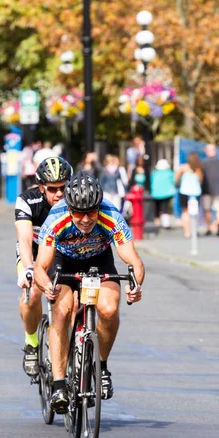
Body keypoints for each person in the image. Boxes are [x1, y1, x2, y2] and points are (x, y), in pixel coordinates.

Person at [34, 171, 145, 414]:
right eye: (78, 213)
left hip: (99, 260)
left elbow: (133, 260)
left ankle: (101, 367)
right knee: (63, 310)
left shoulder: (111, 216)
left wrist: (135, 286)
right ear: (69, 209)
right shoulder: (56, 218)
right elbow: (41, 266)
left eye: (91, 212)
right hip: (64, 262)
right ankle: (59, 384)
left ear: (98, 208)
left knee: (109, 307)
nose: (85, 219)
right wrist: (47, 286)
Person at [15, 156, 73, 377]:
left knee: (74, 301)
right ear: (41, 187)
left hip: (63, 252)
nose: (59, 194)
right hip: (35, 251)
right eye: (52, 189)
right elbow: (25, 239)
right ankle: (31, 344)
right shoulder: (27, 201)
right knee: (31, 295)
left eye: (63, 188)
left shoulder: (74, 200)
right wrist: (29, 268)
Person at [175, 152, 203, 239]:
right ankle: (194, 229)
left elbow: (176, 178)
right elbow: (200, 180)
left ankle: (187, 232)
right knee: (195, 211)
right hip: (195, 192)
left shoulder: (183, 168)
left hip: (184, 191)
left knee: (185, 212)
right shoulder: (198, 169)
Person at [201, 144, 219, 236]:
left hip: (206, 190)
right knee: (218, 209)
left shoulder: (203, 163)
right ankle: (218, 227)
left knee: (207, 210)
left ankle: (209, 228)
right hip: (218, 189)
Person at [150, 159, 176, 228]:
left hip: (155, 193)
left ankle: (157, 223)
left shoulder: (154, 173)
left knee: (156, 209)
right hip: (166, 194)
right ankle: (166, 224)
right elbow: (174, 181)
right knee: (165, 209)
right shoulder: (170, 173)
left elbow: (151, 181)